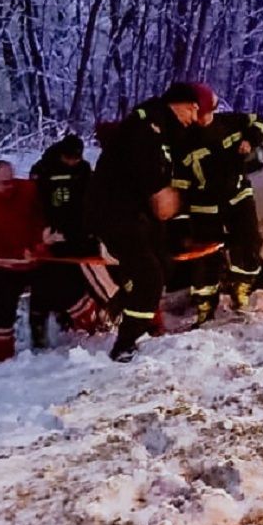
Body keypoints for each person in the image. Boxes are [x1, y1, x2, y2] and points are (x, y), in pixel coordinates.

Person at [84, 83, 200, 362]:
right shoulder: (146, 127)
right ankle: (125, 344)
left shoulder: (165, 131)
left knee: (165, 265)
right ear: (177, 104)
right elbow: (150, 179)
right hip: (116, 213)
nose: (194, 118)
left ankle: (123, 303)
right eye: (192, 110)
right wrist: (162, 193)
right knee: (149, 276)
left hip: (139, 214)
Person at [172, 83, 263, 328]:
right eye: (199, 114)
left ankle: (242, 290)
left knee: (249, 243)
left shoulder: (232, 123)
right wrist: (180, 217)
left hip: (238, 196)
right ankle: (205, 307)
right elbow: (180, 184)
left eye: (207, 113)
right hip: (204, 207)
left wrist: (251, 140)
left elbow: (259, 122)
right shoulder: (182, 141)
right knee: (204, 258)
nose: (202, 119)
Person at [28, 134, 107, 342]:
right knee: (48, 279)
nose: (73, 162)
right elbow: (36, 203)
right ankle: (44, 326)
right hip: (53, 234)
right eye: (70, 158)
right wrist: (45, 231)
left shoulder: (84, 169)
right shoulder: (43, 170)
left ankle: (76, 319)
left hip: (79, 233)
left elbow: (91, 199)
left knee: (80, 276)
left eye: (77, 158)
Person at [0, 160, 48, 362]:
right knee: (2, 312)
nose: (11, 186)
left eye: (12, 180)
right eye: (5, 183)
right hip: (4, 266)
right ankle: (0, 357)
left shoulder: (28, 190)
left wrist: (40, 241)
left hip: (37, 261)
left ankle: (53, 340)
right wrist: (20, 252)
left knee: (54, 295)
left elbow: (42, 216)